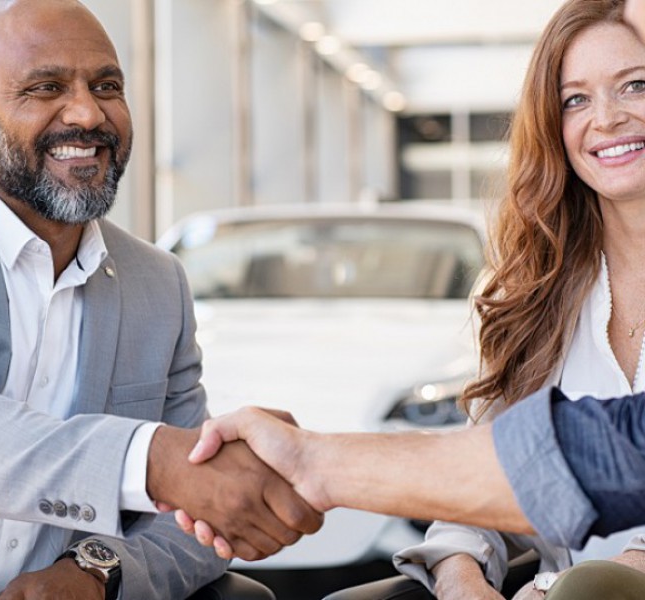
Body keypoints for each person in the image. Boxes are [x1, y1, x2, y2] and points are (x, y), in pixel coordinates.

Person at [0, 1, 322, 598]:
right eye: (46, 87)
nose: (87, 114)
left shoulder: (157, 284)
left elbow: (190, 522)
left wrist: (97, 570)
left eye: (107, 86)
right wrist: (153, 462)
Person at [181, 1, 645, 598]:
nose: (605, 119)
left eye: (635, 84)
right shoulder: (540, 296)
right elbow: (488, 469)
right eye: (575, 99)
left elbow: (604, 456)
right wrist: (460, 578)